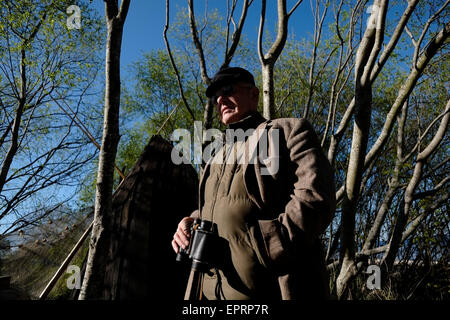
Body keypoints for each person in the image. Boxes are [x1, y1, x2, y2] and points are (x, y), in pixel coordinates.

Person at [171, 66, 336, 300]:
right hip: (207, 293)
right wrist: (190, 221)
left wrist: (266, 247)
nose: (220, 99)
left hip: (270, 291)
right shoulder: (214, 154)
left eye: (228, 89)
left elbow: (315, 197)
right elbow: (215, 207)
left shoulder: (288, 131)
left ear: (254, 94)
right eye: (216, 95)